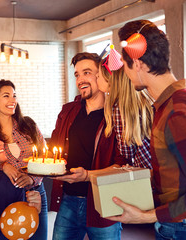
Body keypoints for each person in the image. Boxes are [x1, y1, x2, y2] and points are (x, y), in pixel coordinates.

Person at [107, 20, 186, 240]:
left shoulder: (177, 113)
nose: (124, 74)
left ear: (137, 64)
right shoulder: (184, 99)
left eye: (125, 66)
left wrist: (145, 216)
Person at [50, 52, 127, 240]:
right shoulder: (68, 111)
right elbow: (54, 148)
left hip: (104, 202)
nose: (80, 79)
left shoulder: (117, 115)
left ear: (101, 75)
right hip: (68, 199)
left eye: (87, 73)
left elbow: (123, 164)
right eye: (77, 74)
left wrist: (87, 176)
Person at [0, 79, 48, 240]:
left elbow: (45, 158)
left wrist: (31, 179)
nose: (13, 101)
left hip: (35, 195)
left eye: (14, 95)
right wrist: (3, 166)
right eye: (6, 96)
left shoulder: (28, 125)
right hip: (4, 197)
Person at [97, 49, 153, 169]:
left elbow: (126, 153)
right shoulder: (144, 100)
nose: (96, 80)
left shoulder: (119, 109)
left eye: (98, 76)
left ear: (110, 81)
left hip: (143, 172)